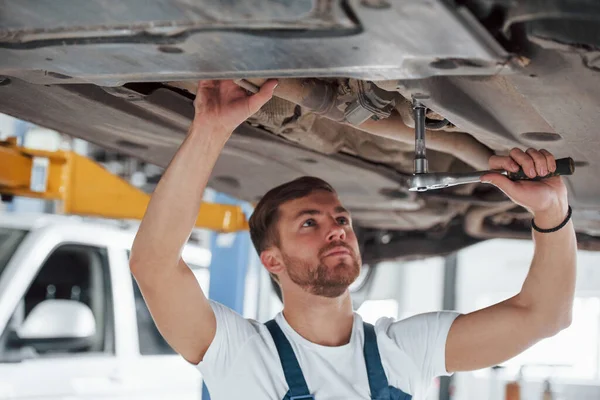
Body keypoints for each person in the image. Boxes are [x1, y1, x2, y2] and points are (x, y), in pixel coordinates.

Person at [130, 79, 576, 399]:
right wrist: (210, 128)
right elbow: (154, 265)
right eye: (310, 223)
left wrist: (552, 212)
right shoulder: (240, 355)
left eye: (340, 217)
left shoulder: (403, 350)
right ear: (272, 261)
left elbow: (542, 316)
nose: (337, 228)